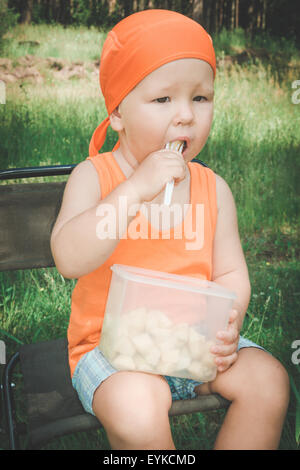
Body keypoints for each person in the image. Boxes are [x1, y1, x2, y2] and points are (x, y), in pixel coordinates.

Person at [50, 9, 289, 450]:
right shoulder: (96, 176)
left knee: (269, 382)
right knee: (139, 405)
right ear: (118, 112)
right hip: (112, 354)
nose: (185, 116)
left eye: (200, 98)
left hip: (193, 345)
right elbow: (68, 258)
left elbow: (231, 274)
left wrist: (226, 325)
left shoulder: (212, 189)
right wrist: (134, 190)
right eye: (163, 101)